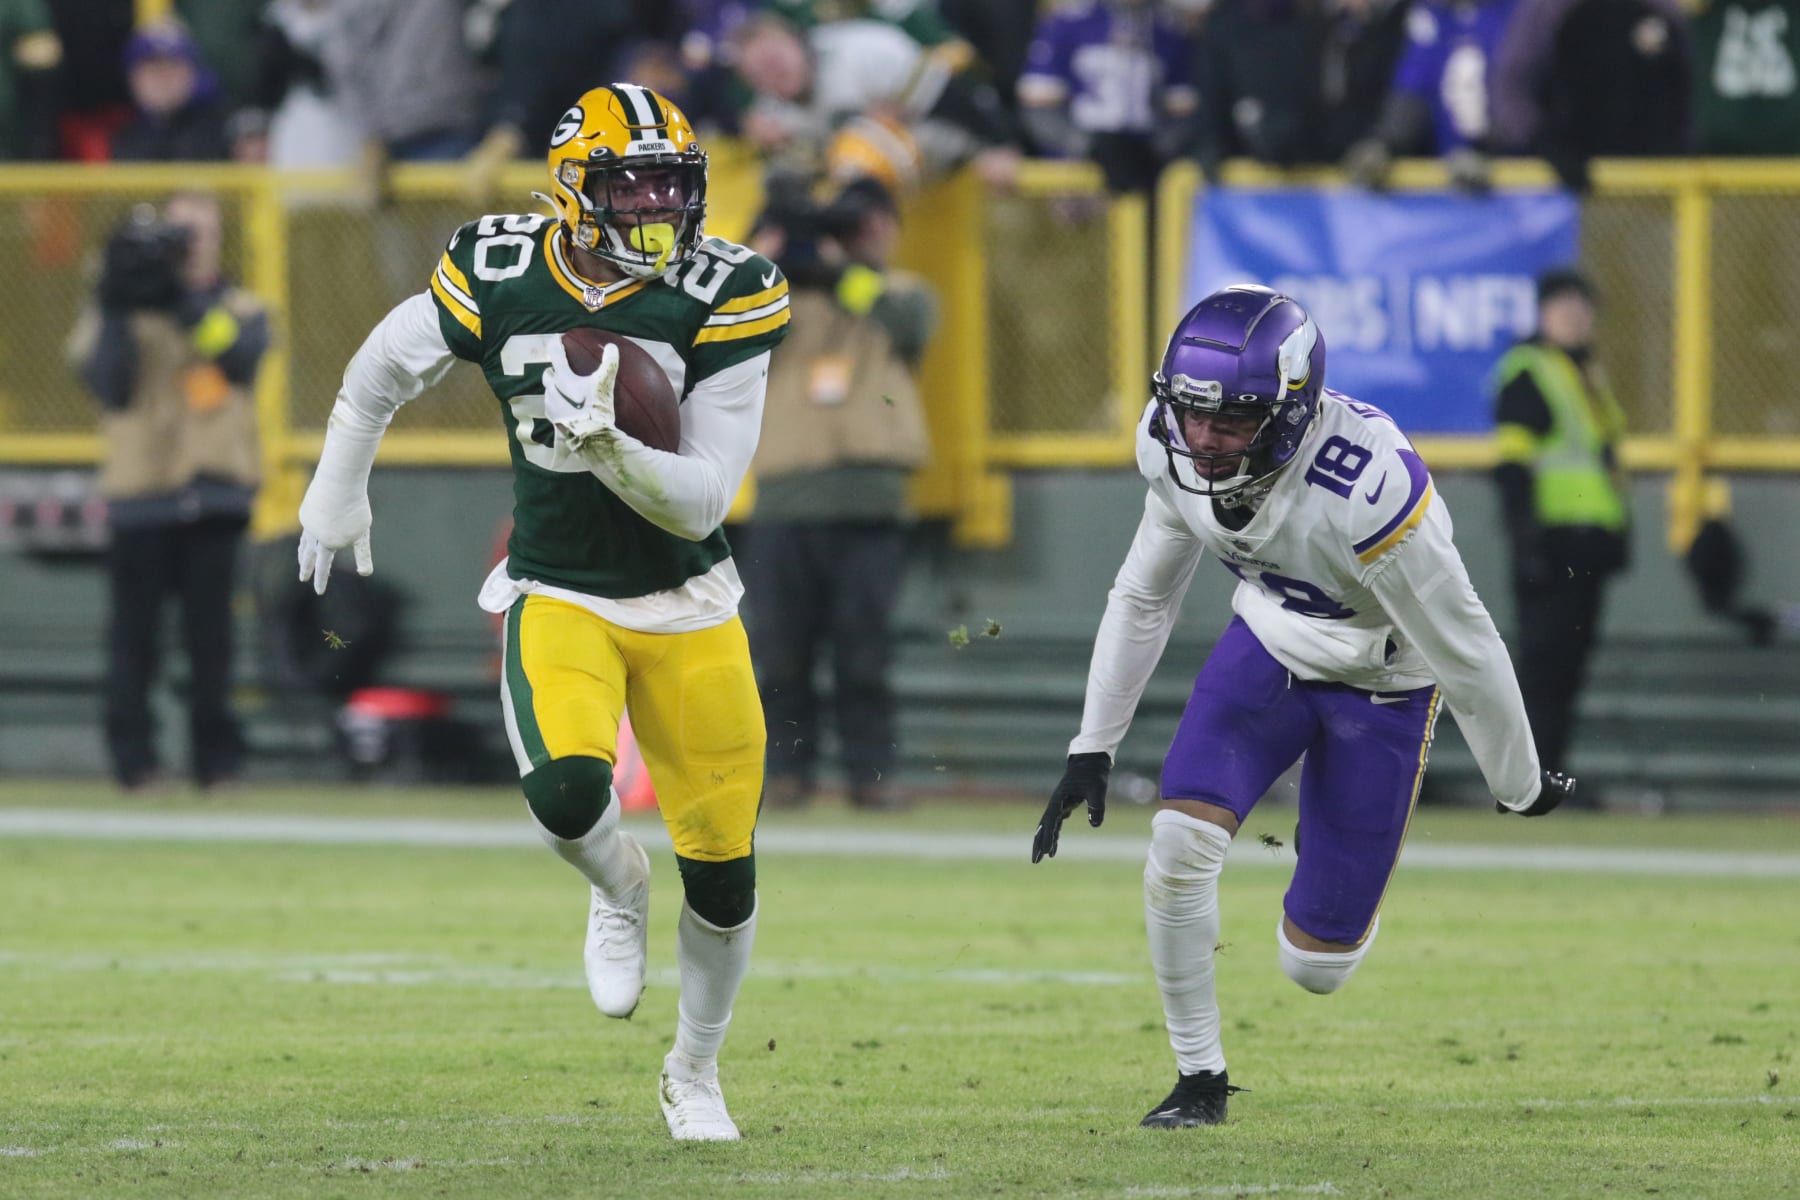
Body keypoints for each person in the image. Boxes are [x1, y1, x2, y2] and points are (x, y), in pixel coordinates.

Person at [293, 84, 789, 1142]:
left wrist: (612, 445)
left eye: (673, 183)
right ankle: (617, 890)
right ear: (575, 189)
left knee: (727, 877)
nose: (658, 205)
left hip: (691, 598)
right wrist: (339, 483)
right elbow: (382, 366)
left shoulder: (728, 289)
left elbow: (707, 495)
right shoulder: (505, 267)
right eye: (633, 183)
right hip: (560, 586)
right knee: (568, 796)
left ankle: (694, 1071)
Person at [1030, 284, 1573, 1129]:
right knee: (1177, 848)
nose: (1202, 439)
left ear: (1289, 411)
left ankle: (1341, 876)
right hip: (1270, 649)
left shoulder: (1367, 488)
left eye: (1232, 421)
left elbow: (1467, 647)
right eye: (1190, 414)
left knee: (1316, 966)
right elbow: (1144, 594)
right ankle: (1197, 1079)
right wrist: (1092, 745)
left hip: (1385, 688)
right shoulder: (1169, 443)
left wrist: (1520, 784)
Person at [67, 192, 271, 790]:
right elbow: (109, 384)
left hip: (215, 493)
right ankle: (136, 764)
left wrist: (182, 300)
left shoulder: (240, 306)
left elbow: (235, 357)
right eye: (178, 231)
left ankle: (218, 764)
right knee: (133, 641)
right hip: (142, 493)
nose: (189, 243)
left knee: (213, 645)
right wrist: (115, 301)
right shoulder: (116, 307)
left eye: (200, 231)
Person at [741, 178, 934, 812]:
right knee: (780, 655)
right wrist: (761, 248)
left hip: (870, 504)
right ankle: (786, 777)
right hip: (783, 501)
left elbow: (907, 322)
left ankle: (871, 780)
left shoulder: (896, 293)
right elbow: (717, 320)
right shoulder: (776, 302)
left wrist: (836, 266)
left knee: (864, 658)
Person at [1493, 267, 1628, 785]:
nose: (1575, 318)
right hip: (1552, 545)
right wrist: (1527, 543)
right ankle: (1528, 780)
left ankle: (1548, 774)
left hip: (1587, 545)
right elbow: (1513, 466)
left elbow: (1604, 465)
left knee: (1567, 670)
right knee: (1545, 668)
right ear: (1544, 314)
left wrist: (1618, 537)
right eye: (1565, 308)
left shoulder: (1586, 375)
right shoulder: (1530, 370)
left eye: (1582, 309)